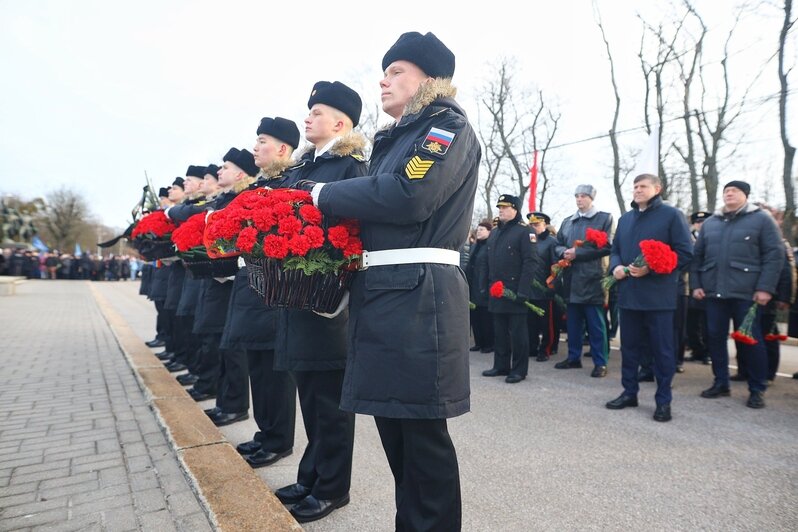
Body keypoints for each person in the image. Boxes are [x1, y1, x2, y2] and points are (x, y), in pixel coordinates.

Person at [298, 31, 479, 531]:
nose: (384, 79)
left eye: (397, 70)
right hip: (385, 295)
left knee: (422, 441)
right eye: (385, 70)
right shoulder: (396, 137)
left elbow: (407, 195)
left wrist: (322, 197)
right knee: (397, 434)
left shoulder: (444, 128)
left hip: (419, 296)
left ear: (431, 79)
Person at [271, 82, 368, 523]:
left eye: (317, 111)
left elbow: (353, 232)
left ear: (340, 123)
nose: (307, 118)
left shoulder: (350, 168)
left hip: (328, 304)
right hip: (295, 296)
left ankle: (332, 487)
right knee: (310, 396)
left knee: (329, 403)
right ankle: (311, 475)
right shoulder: (299, 168)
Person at [222, 117, 300, 470]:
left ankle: (279, 438)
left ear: (283, 149)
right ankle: (265, 431)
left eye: (263, 140)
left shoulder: (291, 182)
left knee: (273, 368)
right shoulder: (256, 188)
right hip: (249, 282)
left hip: (274, 286)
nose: (255, 147)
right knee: (257, 363)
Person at [605, 174, 693, 421]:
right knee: (629, 348)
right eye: (635, 186)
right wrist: (616, 268)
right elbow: (616, 251)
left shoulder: (671, 215)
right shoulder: (625, 219)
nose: (637, 190)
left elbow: (685, 253)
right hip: (629, 295)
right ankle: (629, 392)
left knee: (662, 351)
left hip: (658, 298)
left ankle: (663, 401)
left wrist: (650, 268)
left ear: (657, 188)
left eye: (643, 186)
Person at [690, 180, 784, 409]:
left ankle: (757, 388)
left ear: (746, 195)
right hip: (714, 293)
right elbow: (697, 257)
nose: (729, 194)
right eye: (726, 191)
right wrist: (696, 284)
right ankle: (720, 382)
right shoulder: (711, 223)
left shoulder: (761, 220)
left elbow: (774, 256)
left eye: (734, 191)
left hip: (748, 294)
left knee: (752, 341)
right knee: (715, 339)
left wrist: (765, 288)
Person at [553, 184, 613, 377]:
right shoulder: (567, 221)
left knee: (596, 325)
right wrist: (564, 252)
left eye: (583, 196)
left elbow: (607, 246)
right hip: (571, 279)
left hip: (592, 279)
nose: (579, 199)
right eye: (577, 196)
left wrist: (577, 253)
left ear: (591, 198)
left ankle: (600, 362)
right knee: (573, 323)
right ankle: (573, 357)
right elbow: (558, 245)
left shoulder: (604, 218)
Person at [482, 194, 536, 383]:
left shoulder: (525, 231)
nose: (501, 210)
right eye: (499, 207)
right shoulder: (496, 232)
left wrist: (523, 290)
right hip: (496, 289)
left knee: (518, 333)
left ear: (515, 209)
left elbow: (530, 262)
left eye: (505, 207)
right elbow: (489, 262)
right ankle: (501, 365)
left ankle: (519, 370)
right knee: (500, 331)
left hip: (514, 291)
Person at [527, 211, 559, 361]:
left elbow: (556, 266)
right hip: (529, 288)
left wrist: (551, 285)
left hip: (544, 288)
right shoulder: (528, 240)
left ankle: (545, 349)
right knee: (531, 321)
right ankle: (532, 347)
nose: (533, 227)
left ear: (545, 225)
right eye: (531, 224)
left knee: (546, 322)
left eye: (537, 224)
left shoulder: (551, 242)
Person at [685, 211, 712, 364]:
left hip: (706, 285)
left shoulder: (712, 237)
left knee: (707, 323)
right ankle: (697, 350)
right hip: (689, 285)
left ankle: (707, 352)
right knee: (691, 323)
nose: (700, 224)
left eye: (703, 222)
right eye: (698, 222)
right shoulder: (688, 237)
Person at [465, 219, 494, 353]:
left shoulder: (490, 246)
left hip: (483, 285)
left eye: (482, 229)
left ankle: (488, 343)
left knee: (485, 317)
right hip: (473, 285)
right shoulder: (475, 246)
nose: (479, 231)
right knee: (475, 316)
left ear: (489, 232)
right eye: (478, 229)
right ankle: (479, 342)